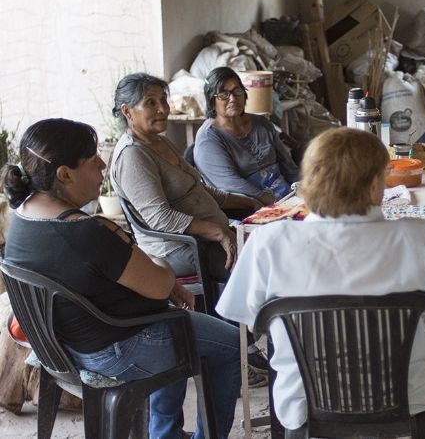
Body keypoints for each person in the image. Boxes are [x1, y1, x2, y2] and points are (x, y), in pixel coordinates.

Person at [215, 127, 425, 435]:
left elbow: (252, 324)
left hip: (305, 407)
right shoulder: (419, 237)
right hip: (405, 402)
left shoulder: (268, 242)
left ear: (309, 183)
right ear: (377, 183)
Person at [2, 118, 240, 438]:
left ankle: (165, 433)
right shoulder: (87, 231)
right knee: (229, 344)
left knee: (173, 322)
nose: (103, 164)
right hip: (113, 352)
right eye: (93, 159)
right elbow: (158, 282)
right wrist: (161, 269)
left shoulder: (21, 215)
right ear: (64, 173)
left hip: (61, 348)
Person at [109, 72, 268, 381]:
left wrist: (249, 202)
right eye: (150, 103)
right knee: (257, 257)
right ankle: (241, 348)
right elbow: (159, 218)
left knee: (269, 238)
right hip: (177, 248)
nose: (162, 109)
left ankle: (248, 340)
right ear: (128, 111)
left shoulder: (158, 142)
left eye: (163, 100)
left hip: (204, 238)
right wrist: (220, 232)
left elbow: (202, 192)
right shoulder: (133, 156)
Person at [194, 67, 300, 205]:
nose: (232, 99)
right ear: (212, 101)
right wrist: (276, 204)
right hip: (251, 206)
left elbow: (288, 166)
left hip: (287, 196)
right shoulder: (208, 138)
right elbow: (230, 183)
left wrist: (304, 188)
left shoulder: (261, 123)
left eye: (237, 91)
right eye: (223, 94)